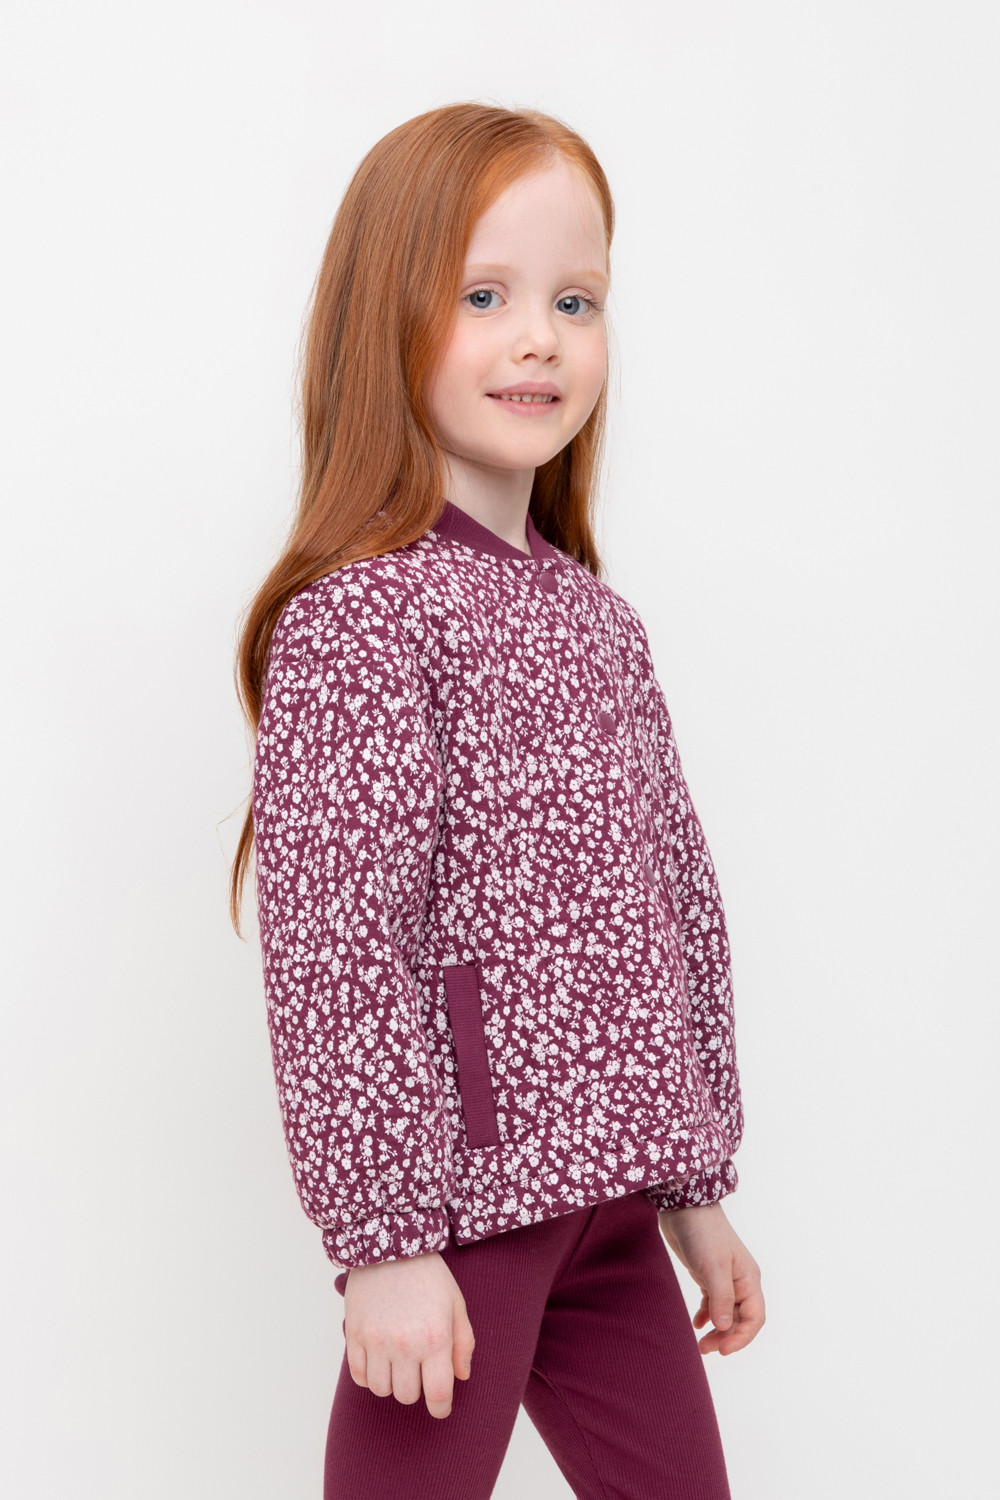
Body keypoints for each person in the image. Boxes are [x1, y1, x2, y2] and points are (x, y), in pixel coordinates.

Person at [231, 101, 765, 1500]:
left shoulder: (600, 620)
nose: (540, 338)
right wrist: (386, 1237)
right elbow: (338, 942)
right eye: (485, 296)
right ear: (385, 318)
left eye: (574, 301)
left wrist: (693, 1186)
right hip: (461, 1214)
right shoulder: (361, 621)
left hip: (613, 1212)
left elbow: (674, 902)